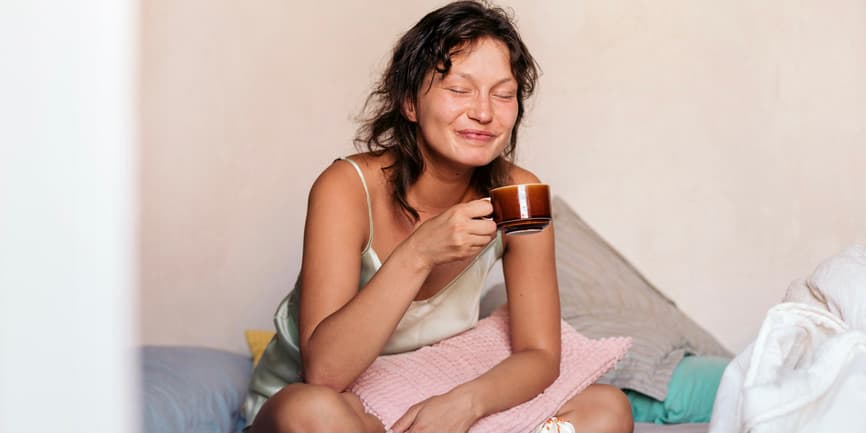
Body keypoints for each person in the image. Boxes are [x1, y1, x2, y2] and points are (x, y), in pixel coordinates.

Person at [242, 1, 634, 432]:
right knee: (312, 410)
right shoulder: (345, 187)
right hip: (339, 409)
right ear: (409, 101)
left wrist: (465, 403)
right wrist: (419, 254)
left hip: (434, 401)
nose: (484, 112)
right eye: (459, 90)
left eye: (503, 94)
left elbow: (539, 354)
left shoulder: (519, 194)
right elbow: (325, 374)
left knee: (605, 410)